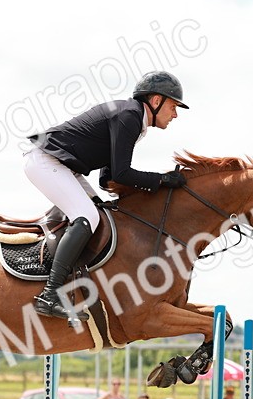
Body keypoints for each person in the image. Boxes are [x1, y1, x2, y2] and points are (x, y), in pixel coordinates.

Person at [24, 70, 189, 322]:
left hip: (63, 166)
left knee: (99, 214)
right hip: (46, 162)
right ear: (156, 101)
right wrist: (162, 180)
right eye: (173, 106)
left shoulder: (133, 118)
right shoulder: (130, 116)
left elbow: (108, 177)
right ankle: (50, 295)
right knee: (87, 216)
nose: (175, 114)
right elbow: (121, 174)